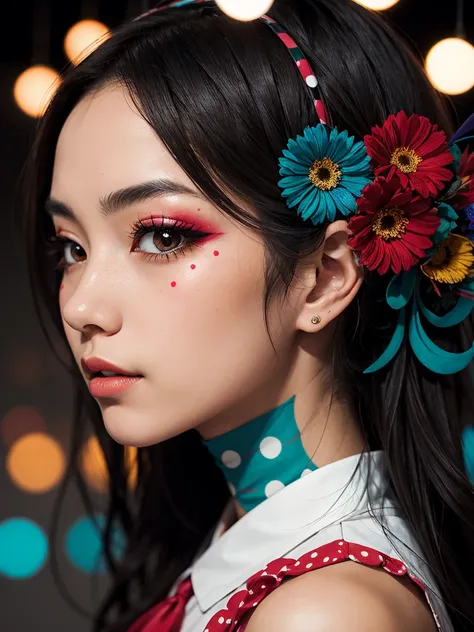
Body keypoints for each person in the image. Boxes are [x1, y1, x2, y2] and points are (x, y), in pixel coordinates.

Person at [23, 0, 474, 630]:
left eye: (161, 236)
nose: (80, 305)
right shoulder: (252, 544)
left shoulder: (326, 613)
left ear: (324, 279)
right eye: (72, 247)